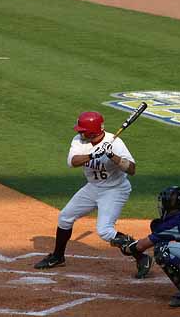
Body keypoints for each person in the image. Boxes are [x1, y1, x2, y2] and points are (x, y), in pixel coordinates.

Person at [34, 111, 153, 279]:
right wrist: (92, 154)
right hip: (93, 187)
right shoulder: (79, 141)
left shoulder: (116, 143)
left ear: (92, 131)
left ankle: (142, 257)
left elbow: (132, 170)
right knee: (65, 217)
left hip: (115, 190)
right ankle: (58, 257)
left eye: (82, 130)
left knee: (105, 231)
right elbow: (72, 162)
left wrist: (113, 156)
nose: (79, 132)